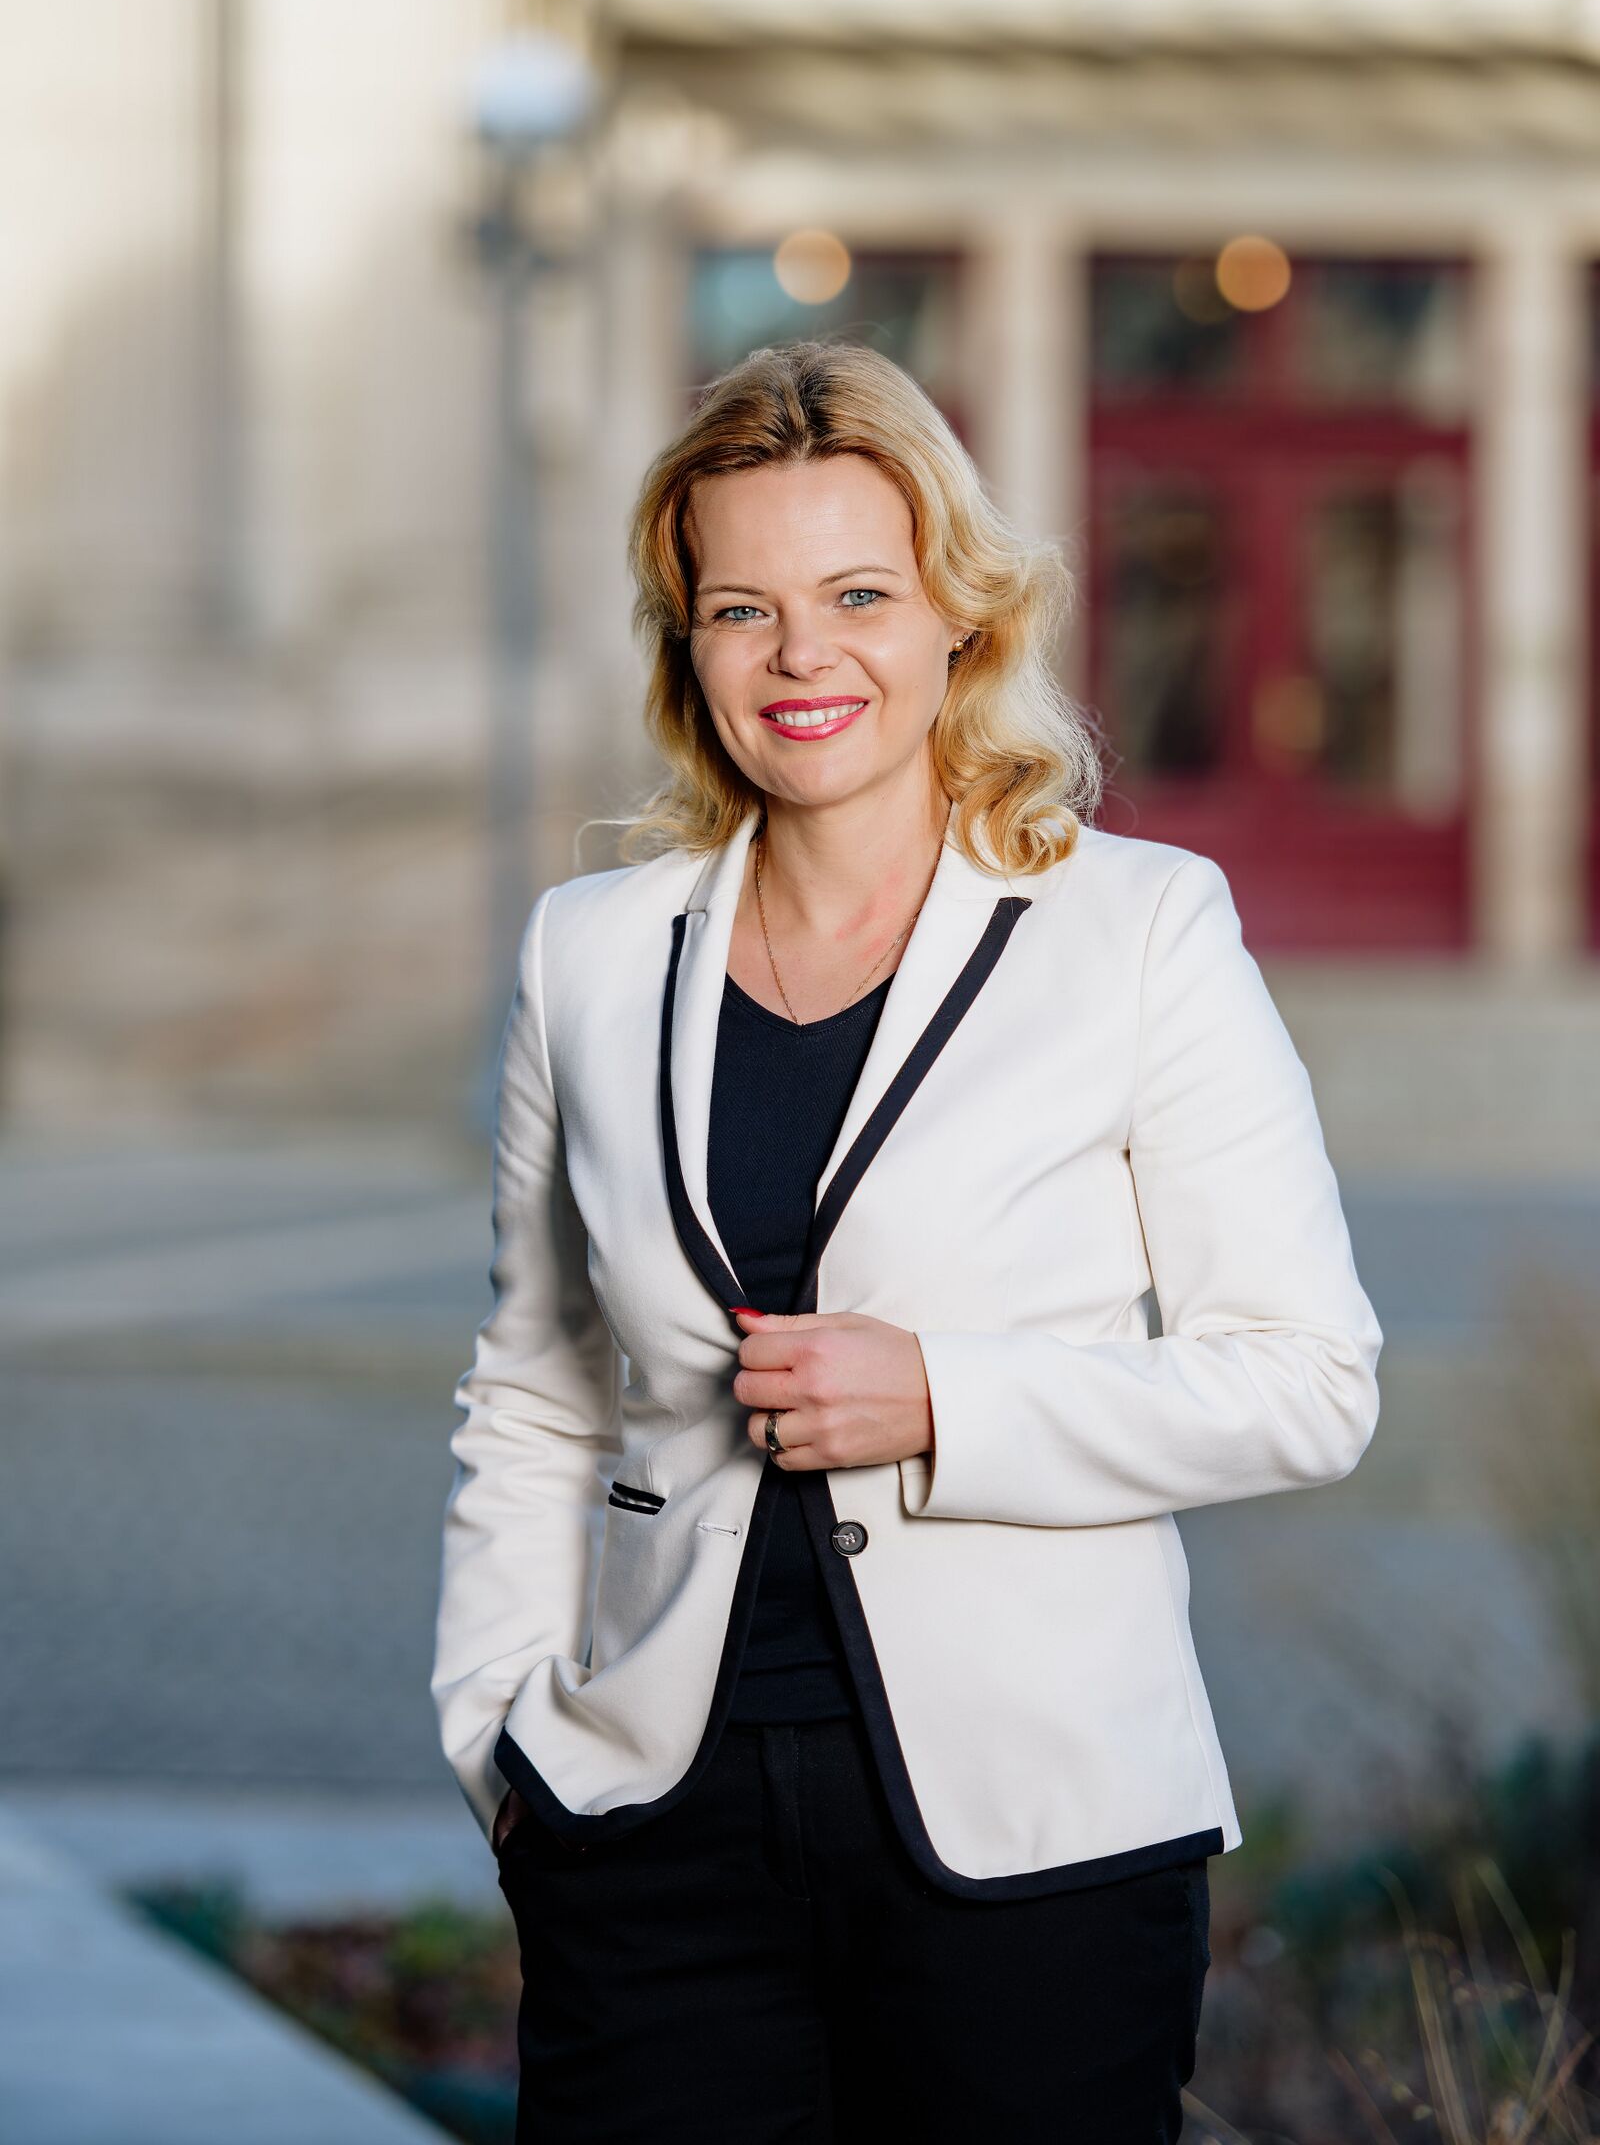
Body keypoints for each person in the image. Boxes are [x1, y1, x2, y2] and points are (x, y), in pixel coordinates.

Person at [431, 338, 1384, 2144]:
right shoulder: (589, 953)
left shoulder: (1141, 930)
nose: (804, 656)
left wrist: (947, 1399)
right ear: (688, 645)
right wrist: (501, 1741)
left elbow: (1310, 1381)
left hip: (1038, 1853)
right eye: (744, 609)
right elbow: (535, 1388)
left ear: (959, 614)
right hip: (649, 1843)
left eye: (859, 595)